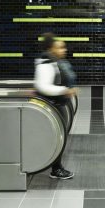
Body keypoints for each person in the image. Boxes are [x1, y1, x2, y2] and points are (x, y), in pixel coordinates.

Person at [34, 34, 76, 180]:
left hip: (57, 105)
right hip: (51, 106)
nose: (64, 50)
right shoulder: (46, 63)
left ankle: (56, 167)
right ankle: (56, 169)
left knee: (59, 138)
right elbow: (43, 86)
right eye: (60, 47)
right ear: (51, 48)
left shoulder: (54, 62)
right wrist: (64, 90)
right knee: (57, 139)